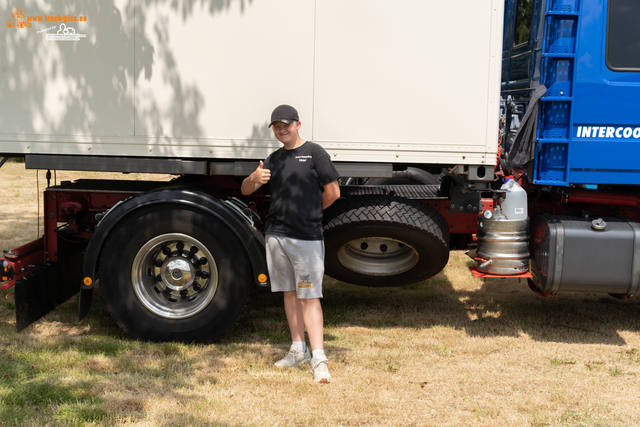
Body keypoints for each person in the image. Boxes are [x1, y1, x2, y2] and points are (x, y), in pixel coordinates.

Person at [241, 104, 340, 383]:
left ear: (297, 124)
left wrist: (311, 212)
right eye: (276, 126)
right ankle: (298, 349)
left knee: (309, 296)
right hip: (276, 236)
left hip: (306, 237)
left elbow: (333, 192)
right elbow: (246, 189)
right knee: (288, 293)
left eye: (285, 124)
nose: (281, 130)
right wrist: (253, 178)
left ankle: (319, 358)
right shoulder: (273, 159)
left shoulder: (314, 153)